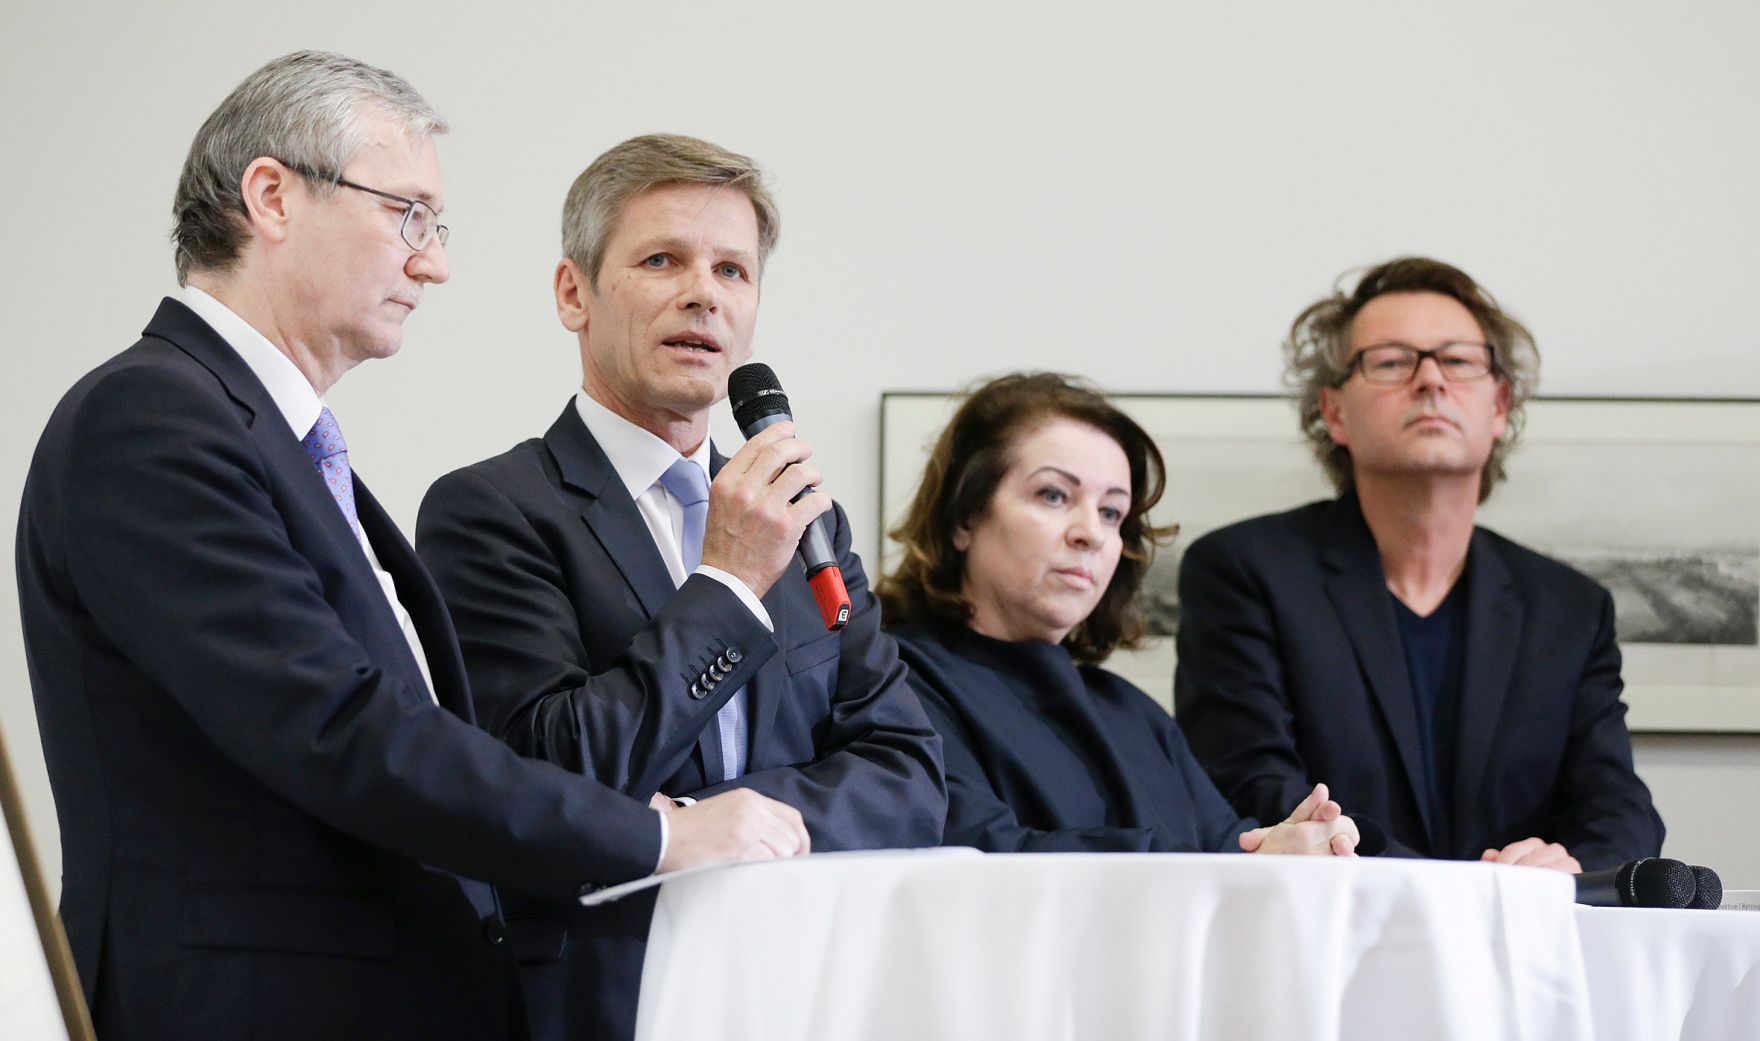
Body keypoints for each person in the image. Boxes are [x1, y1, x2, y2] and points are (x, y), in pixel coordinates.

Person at [16, 53, 804, 1041]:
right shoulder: (150, 418)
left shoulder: (270, 438)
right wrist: (655, 833)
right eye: (408, 215)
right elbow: (342, 730)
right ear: (272, 197)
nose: (432, 261)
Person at [415, 133, 945, 1041]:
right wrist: (730, 582)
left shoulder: (800, 514)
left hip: (804, 987)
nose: (705, 292)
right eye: (663, 259)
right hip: (604, 991)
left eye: (734, 270)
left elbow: (909, 773)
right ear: (572, 293)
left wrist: (717, 819)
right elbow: (546, 769)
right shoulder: (492, 508)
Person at [1174, 256, 1664, 872]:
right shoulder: (1243, 572)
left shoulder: (1568, 607)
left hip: (1521, 947)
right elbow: (1253, 786)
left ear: (1499, 405)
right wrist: (1451, 894)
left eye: (1458, 361)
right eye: (1391, 362)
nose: (1430, 381)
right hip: (1328, 937)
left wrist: (1570, 867)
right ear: (1333, 412)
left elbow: (1617, 805)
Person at [876, 372, 1358, 856]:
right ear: (964, 517)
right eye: (1054, 495)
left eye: (1111, 512)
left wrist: (1292, 845)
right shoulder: (891, 683)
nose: (1092, 533)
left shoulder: (1133, 713)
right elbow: (979, 852)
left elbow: (1225, 850)